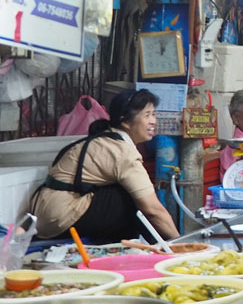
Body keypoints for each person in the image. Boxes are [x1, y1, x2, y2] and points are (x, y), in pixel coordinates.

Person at [29, 89, 181, 241]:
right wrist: (182, 243)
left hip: (46, 211)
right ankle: (169, 250)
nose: (153, 121)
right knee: (133, 201)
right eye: (147, 115)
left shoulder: (106, 139)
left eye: (153, 114)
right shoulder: (121, 152)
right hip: (58, 216)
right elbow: (153, 210)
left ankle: (132, 251)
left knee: (129, 197)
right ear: (125, 121)